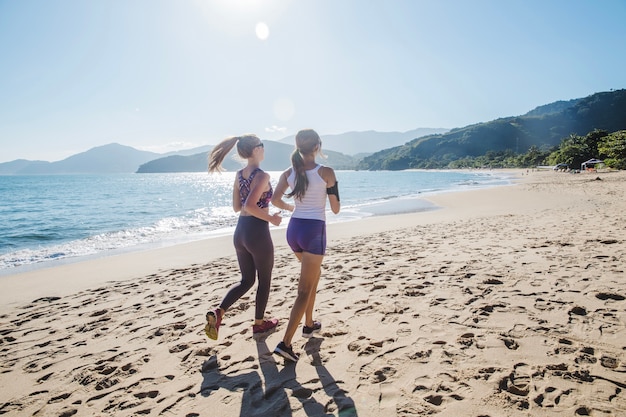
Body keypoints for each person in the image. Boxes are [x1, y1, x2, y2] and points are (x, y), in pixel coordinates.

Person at [270, 129, 341, 362]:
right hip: (313, 232)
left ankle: (309, 324)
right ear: (317, 146)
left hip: (295, 231)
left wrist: (292, 209)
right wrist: (332, 187)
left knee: (314, 277)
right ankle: (286, 343)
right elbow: (336, 208)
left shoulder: (288, 173)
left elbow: (275, 200)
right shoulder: (327, 172)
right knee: (304, 289)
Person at [205, 134, 282, 340]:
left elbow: (237, 207)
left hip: (240, 233)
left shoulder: (239, 175)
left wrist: (260, 209)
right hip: (257, 232)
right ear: (256, 150)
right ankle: (259, 324)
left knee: (246, 280)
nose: (264, 149)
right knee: (264, 280)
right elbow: (248, 205)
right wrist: (271, 218)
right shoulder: (262, 175)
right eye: (262, 145)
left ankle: (218, 312)